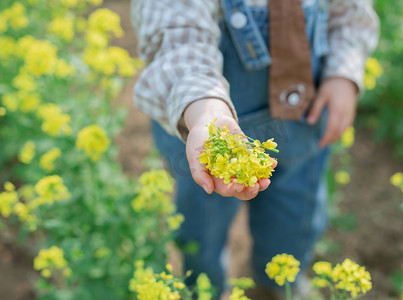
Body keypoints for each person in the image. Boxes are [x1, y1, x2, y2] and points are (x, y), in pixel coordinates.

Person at [130, 0, 379, 298]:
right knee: (202, 227)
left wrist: (343, 72)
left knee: (295, 214)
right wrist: (206, 112)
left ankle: (282, 282)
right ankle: (207, 288)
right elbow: (177, 37)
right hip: (203, 131)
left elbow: (350, 11)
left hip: (304, 117)